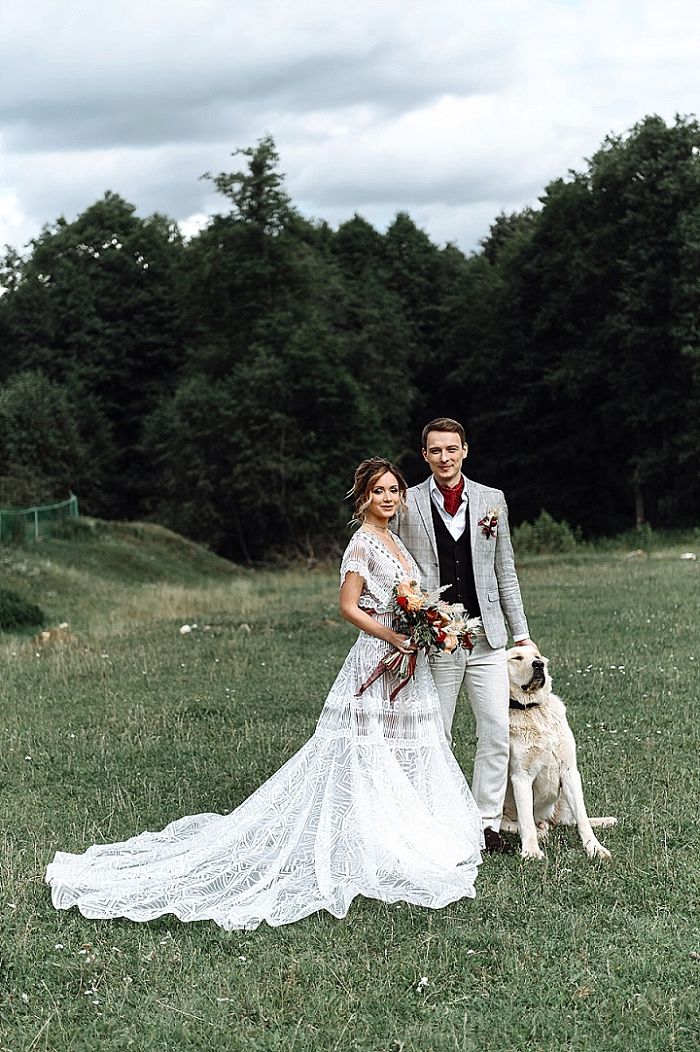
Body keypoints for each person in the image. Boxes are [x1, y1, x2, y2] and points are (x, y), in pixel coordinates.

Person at [46, 457, 483, 931]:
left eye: (395, 490)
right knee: (364, 751)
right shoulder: (361, 543)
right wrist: (390, 635)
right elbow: (347, 607)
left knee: (400, 751)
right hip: (377, 658)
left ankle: (400, 833)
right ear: (363, 498)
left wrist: (424, 627)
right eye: (379, 491)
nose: (389, 498)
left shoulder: (394, 540)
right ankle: (370, 840)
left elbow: (412, 598)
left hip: (406, 660)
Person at [394, 418, 535, 854]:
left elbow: (504, 570)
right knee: (439, 732)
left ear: (465, 451)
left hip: (488, 638)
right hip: (438, 638)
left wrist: (522, 634)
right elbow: (400, 574)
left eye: (451, 449)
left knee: (495, 731)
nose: (444, 457)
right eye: (435, 451)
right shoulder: (407, 503)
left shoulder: (492, 500)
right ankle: (437, 819)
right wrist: (407, 630)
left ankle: (486, 823)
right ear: (425, 455)